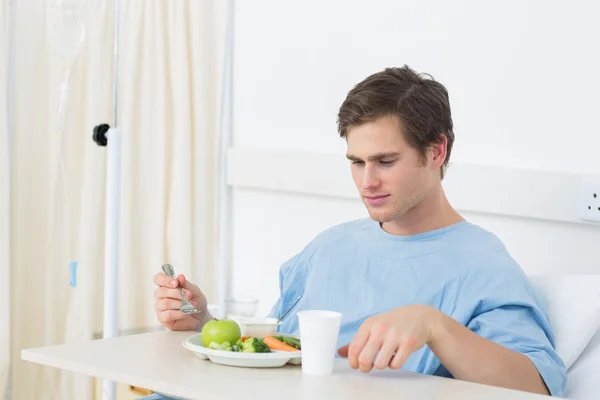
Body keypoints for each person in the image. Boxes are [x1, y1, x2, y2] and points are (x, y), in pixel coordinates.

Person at [149, 66, 567, 399]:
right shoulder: (330, 247)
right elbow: (279, 355)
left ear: (436, 151)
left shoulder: (482, 266)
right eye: (356, 161)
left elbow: (538, 388)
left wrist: (435, 327)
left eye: (385, 161)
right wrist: (202, 323)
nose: (367, 182)